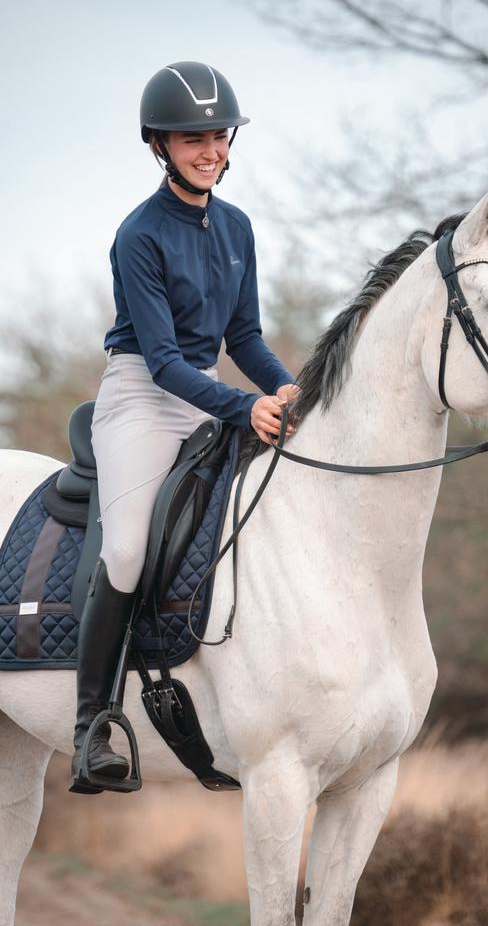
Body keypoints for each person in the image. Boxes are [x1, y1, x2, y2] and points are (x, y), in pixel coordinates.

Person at [70, 61, 299, 792]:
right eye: (191, 137)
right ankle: (92, 727)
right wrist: (244, 406)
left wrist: (288, 386)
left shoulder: (237, 227)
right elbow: (165, 360)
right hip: (143, 392)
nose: (209, 149)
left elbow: (246, 339)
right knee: (131, 549)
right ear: (160, 145)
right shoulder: (138, 234)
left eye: (217, 136)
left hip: (208, 392)